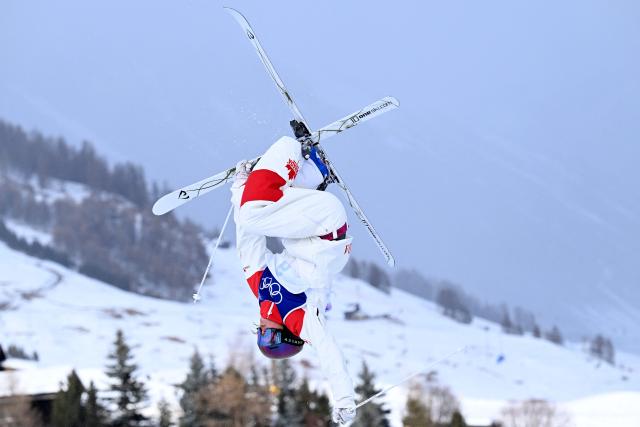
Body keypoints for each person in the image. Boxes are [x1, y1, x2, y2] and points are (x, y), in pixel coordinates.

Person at [230, 135, 356, 424]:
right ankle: (290, 149)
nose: (263, 330)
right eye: (270, 336)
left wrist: (240, 190)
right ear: (287, 334)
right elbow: (328, 353)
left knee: (257, 213)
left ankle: (315, 171)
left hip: (306, 227)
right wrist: (345, 400)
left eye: (261, 335)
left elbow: (247, 241)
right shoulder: (299, 316)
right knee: (253, 212)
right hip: (326, 228)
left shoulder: (259, 287)